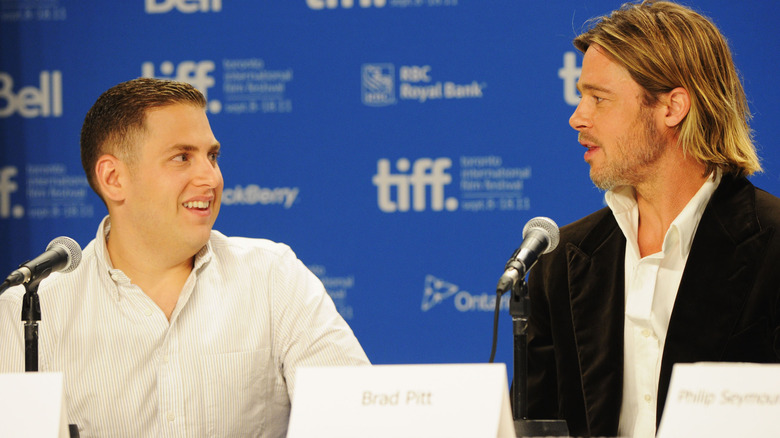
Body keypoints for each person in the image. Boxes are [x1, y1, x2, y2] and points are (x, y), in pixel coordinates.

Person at [0, 77, 370, 437]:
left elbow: (358, 420)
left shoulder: (274, 277)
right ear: (113, 178)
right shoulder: (28, 311)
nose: (210, 178)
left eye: (212, 156)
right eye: (182, 157)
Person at [526, 1, 780, 437]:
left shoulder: (773, 244)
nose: (577, 118)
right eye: (580, 95)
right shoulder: (559, 263)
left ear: (672, 107)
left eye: (598, 99)